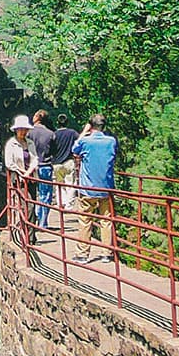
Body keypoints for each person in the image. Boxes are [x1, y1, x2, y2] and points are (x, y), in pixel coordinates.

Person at [70, 114, 117, 264]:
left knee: (85, 220)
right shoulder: (111, 141)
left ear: (90, 126)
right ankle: (106, 253)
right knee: (106, 220)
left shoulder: (85, 141)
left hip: (88, 188)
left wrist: (84, 132)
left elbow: (74, 150)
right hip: (106, 187)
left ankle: (82, 254)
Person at [3, 114, 40, 241]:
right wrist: (22, 172)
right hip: (18, 179)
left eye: (25, 129)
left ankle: (31, 235)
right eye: (21, 129)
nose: (23, 132)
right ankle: (27, 237)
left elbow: (35, 158)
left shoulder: (30, 143)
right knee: (27, 206)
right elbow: (9, 163)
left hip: (31, 178)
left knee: (32, 205)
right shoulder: (11, 144)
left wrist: (28, 172)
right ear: (16, 130)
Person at [50, 113, 81, 218]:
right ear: (67, 122)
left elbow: (51, 148)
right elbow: (79, 140)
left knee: (59, 184)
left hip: (56, 163)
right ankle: (69, 205)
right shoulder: (72, 133)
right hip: (69, 161)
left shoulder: (54, 134)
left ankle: (60, 203)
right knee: (71, 184)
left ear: (57, 123)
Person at [29, 109, 56, 230]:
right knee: (46, 195)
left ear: (37, 118)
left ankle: (32, 220)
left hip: (31, 168)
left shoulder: (28, 132)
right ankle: (42, 221)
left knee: (31, 194)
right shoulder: (50, 134)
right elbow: (54, 151)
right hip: (45, 166)